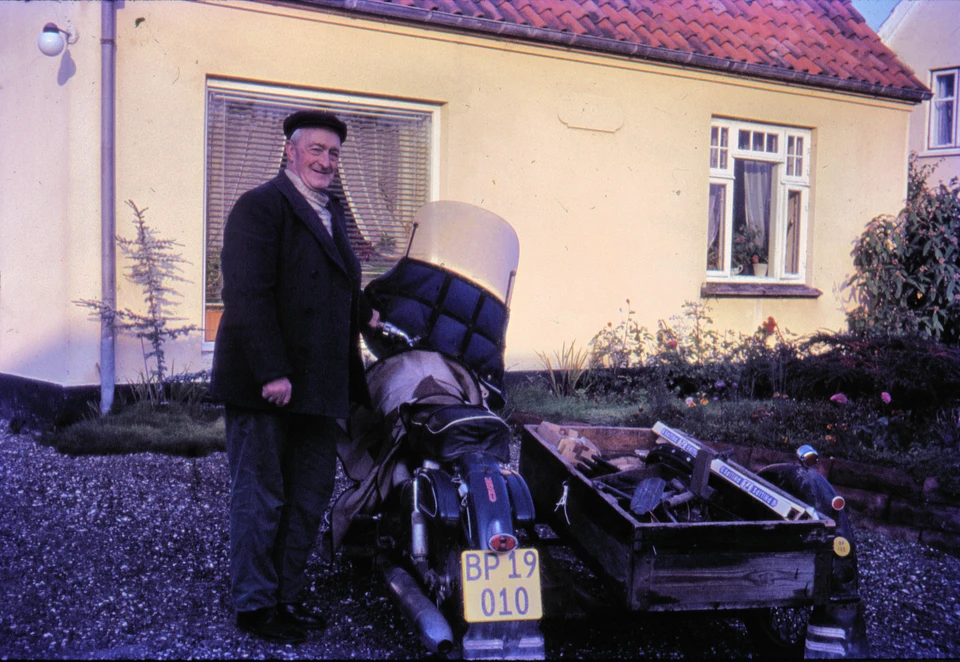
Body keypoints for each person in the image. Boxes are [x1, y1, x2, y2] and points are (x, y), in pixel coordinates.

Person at [210, 110, 378, 644]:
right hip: (269, 383)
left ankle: (284, 593)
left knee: (309, 494)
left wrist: (366, 313)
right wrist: (272, 372)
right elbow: (246, 294)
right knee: (261, 495)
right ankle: (255, 606)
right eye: (316, 150)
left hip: (319, 382)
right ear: (290, 151)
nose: (326, 162)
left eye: (334, 154)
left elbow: (332, 282)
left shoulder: (331, 211)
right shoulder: (259, 206)